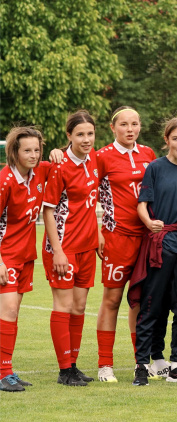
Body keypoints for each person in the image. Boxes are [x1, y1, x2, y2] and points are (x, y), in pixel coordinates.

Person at [130, 117, 177, 386]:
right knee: (152, 305)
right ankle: (142, 365)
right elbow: (142, 203)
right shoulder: (155, 168)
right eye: (176, 139)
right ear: (167, 140)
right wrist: (149, 222)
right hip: (161, 245)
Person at [94, 106, 157, 383]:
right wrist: (97, 232)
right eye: (124, 124)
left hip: (146, 239)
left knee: (141, 302)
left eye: (134, 124)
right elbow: (86, 195)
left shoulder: (148, 154)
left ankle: (140, 363)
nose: (129, 129)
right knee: (112, 299)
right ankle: (105, 364)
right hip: (117, 237)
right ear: (113, 128)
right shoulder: (101, 157)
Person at [42, 111, 100, 386]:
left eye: (90, 133)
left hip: (88, 247)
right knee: (63, 306)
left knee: (79, 307)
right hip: (64, 247)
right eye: (80, 134)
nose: (86, 139)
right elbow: (49, 211)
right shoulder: (59, 165)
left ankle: (73, 365)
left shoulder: (96, 159)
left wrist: (98, 234)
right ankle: (64, 370)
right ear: (69, 136)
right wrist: (58, 251)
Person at [0, 127, 50, 392]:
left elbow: (67, 161)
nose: (33, 155)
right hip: (5, 258)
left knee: (12, 314)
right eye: (27, 150)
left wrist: (57, 153)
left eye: (37, 150)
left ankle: (6, 370)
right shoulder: (5, 180)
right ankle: (2, 373)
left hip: (25, 256)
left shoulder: (40, 172)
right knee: (6, 312)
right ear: (14, 152)